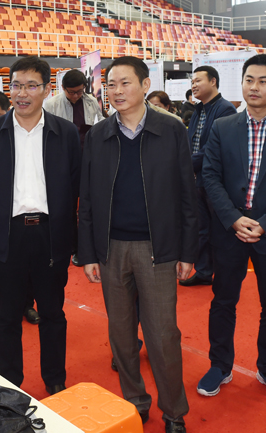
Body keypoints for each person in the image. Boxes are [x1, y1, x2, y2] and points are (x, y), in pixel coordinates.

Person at [79, 56, 198, 433]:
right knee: (121, 335)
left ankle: (174, 412)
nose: (116, 91)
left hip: (157, 249)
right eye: (110, 85)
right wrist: (88, 253)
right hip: (111, 249)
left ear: (145, 85)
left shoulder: (171, 128)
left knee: (163, 336)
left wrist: (188, 251)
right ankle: (134, 401)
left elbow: (188, 194)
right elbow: (87, 198)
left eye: (125, 83)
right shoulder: (98, 135)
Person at [199, 54, 266, 402]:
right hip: (229, 231)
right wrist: (233, 218)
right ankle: (220, 365)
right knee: (223, 300)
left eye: (263, 81)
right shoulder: (223, 126)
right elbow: (210, 177)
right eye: (249, 80)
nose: (254, 87)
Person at [0, 55, 81, 395]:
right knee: (6, 316)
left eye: (31, 86)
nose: (22, 93)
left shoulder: (65, 133)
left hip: (50, 234)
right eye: (16, 85)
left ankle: (55, 380)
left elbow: (75, 183)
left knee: (52, 312)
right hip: (8, 236)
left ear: (46, 90)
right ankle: (10, 385)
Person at [0, 90, 40, 330]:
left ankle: (27, 305)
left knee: (31, 271)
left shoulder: (24, 135)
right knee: (2, 272)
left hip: (33, 220)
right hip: (2, 220)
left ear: (8, 111)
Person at [180, 65, 237, 287]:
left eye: (198, 81)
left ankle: (223, 274)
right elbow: (191, 143)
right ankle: (204, 271)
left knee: (220, 231)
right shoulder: (198, 110)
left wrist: (183, 165)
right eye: (192, 82)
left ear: (213, 81)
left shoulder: (225, 109)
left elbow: (214, 148)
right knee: (201, 229)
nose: (193, 85)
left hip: (215, 181)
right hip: (197, 178)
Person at [43, 69, 103, 149]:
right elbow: (47, 130)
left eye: (79, 91)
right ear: (63, 87)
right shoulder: (52, 104)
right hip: (63, 148)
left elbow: (101, 121)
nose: (75, 96)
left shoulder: (92, 101)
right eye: (71, 92)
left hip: (86, 148)